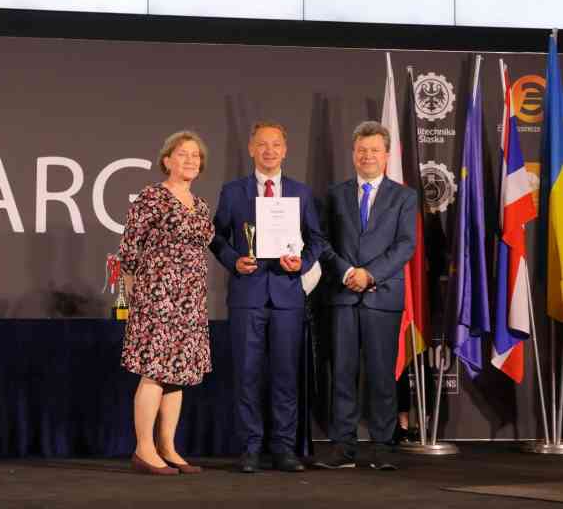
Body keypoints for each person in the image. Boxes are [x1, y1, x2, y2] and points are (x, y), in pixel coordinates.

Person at [210, 120, 325, 473]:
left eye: (276, 144)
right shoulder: (233, 192)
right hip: (248, 295)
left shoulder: (301, 192)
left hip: (287, 296)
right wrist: (234, 260)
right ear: (251, 149)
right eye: (262, 144)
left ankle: (284, 448)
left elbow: (317, 239)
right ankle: (250, 448)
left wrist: (302, 263)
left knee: (285, 375)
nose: (269, 150)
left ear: (285, 150)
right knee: (247, 375)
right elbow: (216, 237)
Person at [318, 121, 416, 471]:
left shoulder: (404, 197)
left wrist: (370, 274)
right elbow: (322, 241)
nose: (367, 156)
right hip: (342, 296)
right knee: (342, 374)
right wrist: (347, 272)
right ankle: (343, 447)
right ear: (353, 154)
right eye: (362, 150)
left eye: (374, 150)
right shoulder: (335, 194)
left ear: (386, 155)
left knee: (381, 375)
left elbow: (405, 245)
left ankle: (383, 447)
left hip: (382, 297)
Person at [119, 130, 215, 476]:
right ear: (167, 161)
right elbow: (129, 247)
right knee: (155, 371)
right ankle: (144, 449)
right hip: (157, 296)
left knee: (179, 375)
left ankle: (168, 447)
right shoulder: (152, 197)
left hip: (191, 299)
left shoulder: (200, 205)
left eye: (195, 155)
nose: (190, 160)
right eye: (183, 154)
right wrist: (137, 294)